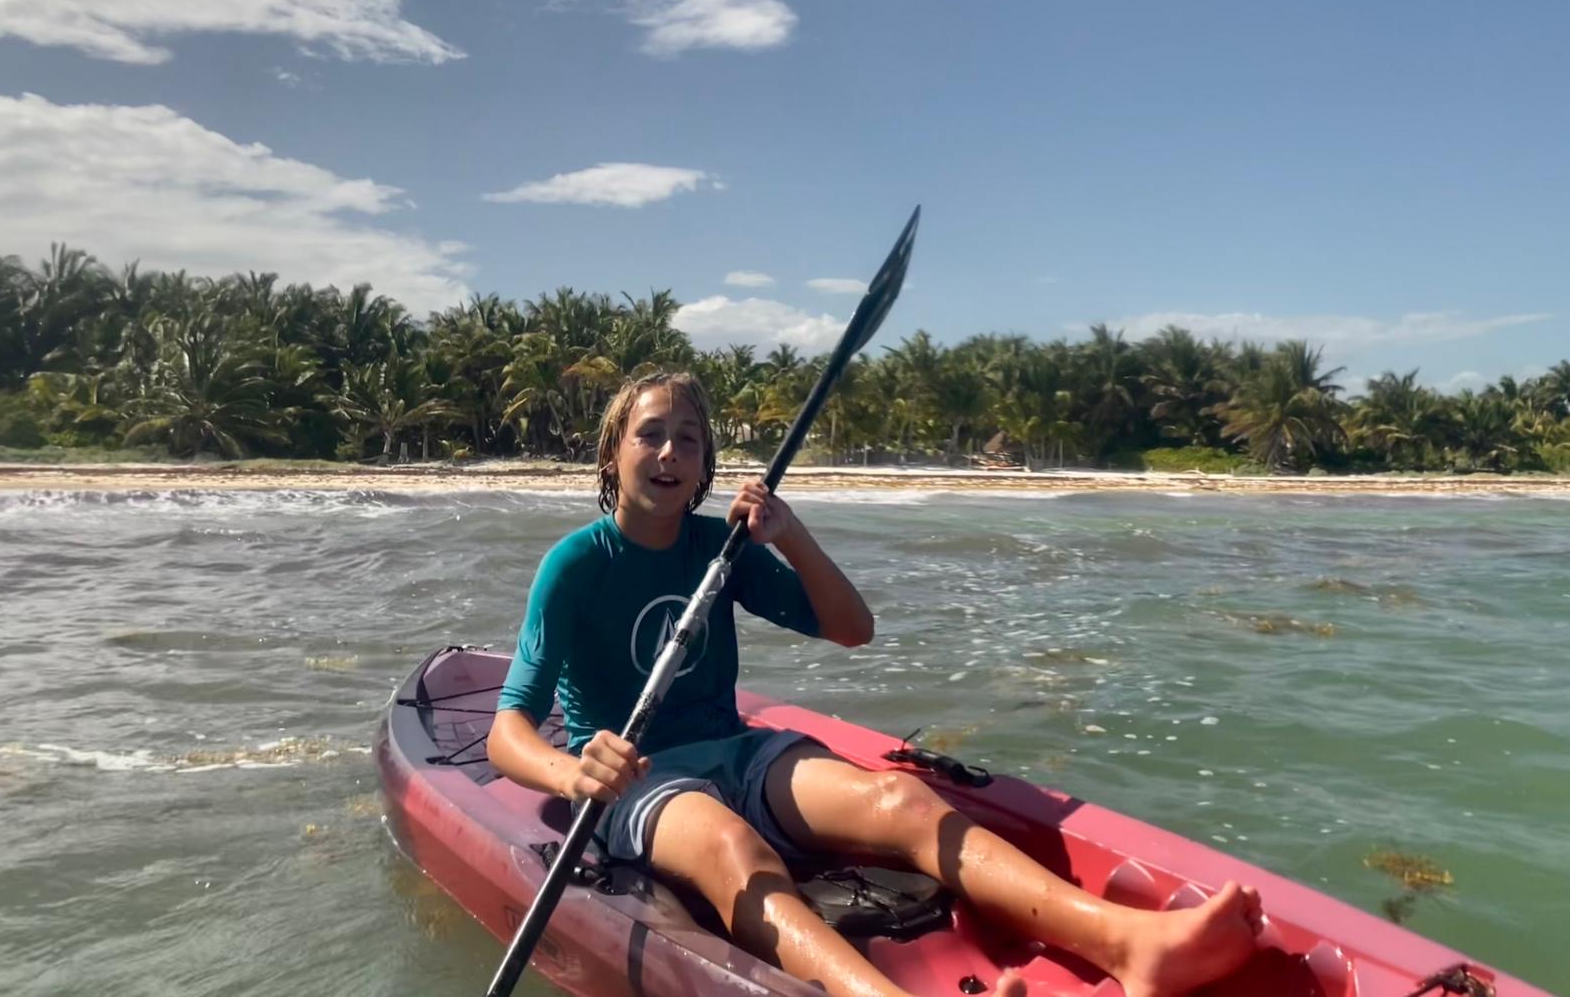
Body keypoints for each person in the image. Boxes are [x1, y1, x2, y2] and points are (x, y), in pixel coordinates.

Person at [487, 373, 1264, 997]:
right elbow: (509, 727)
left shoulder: (718, 548)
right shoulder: (576, 566)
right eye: (649, 434)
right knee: (734, 849)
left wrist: (790, 535)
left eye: (687, 439)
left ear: (705, 465)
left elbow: (852, 627)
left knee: (902, 801)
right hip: (641, 781)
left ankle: (1128, 943)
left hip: (737, 753)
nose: (668, 452)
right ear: (611, 454)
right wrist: (575, 770)